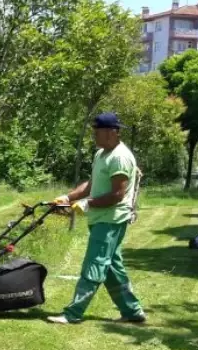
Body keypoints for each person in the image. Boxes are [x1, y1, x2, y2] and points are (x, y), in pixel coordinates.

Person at [47, 112, 147, 325]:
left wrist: (86, 204)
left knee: (95, 264)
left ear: (112, 132)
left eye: (97, 132)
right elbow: (91, 185)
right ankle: (133, 311)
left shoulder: (120, 157)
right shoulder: (101, 154)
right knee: (112, 267)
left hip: (111, 219)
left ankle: (73, 313)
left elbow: (117, 195)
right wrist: (67, 198)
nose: (94, 136)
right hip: (100, 217)